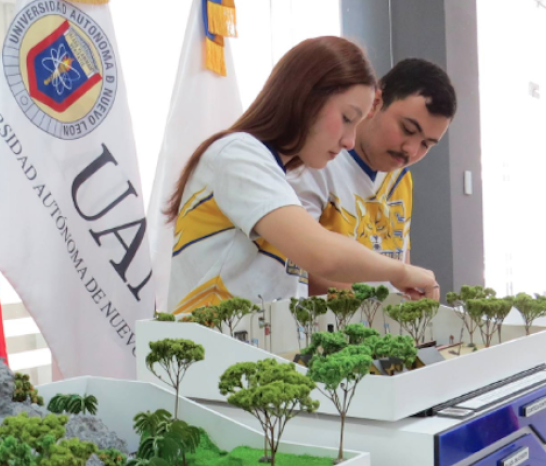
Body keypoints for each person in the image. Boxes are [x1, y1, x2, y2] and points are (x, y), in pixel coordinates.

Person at [165, 37, 439, 316]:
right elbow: (321, 254)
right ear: (307, 97)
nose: (349, 141)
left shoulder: (275, 169)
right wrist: (400, 272)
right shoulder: (238, 155)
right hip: (208, 348)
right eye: (347, 119)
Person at [287, 58, 457, 295]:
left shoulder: (400, 179)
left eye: (426, 144)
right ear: (376, 102)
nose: (411, 150)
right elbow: (299, 267)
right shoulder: (316, 163)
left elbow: (399, 259)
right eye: (407, 130)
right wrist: (381, 302)